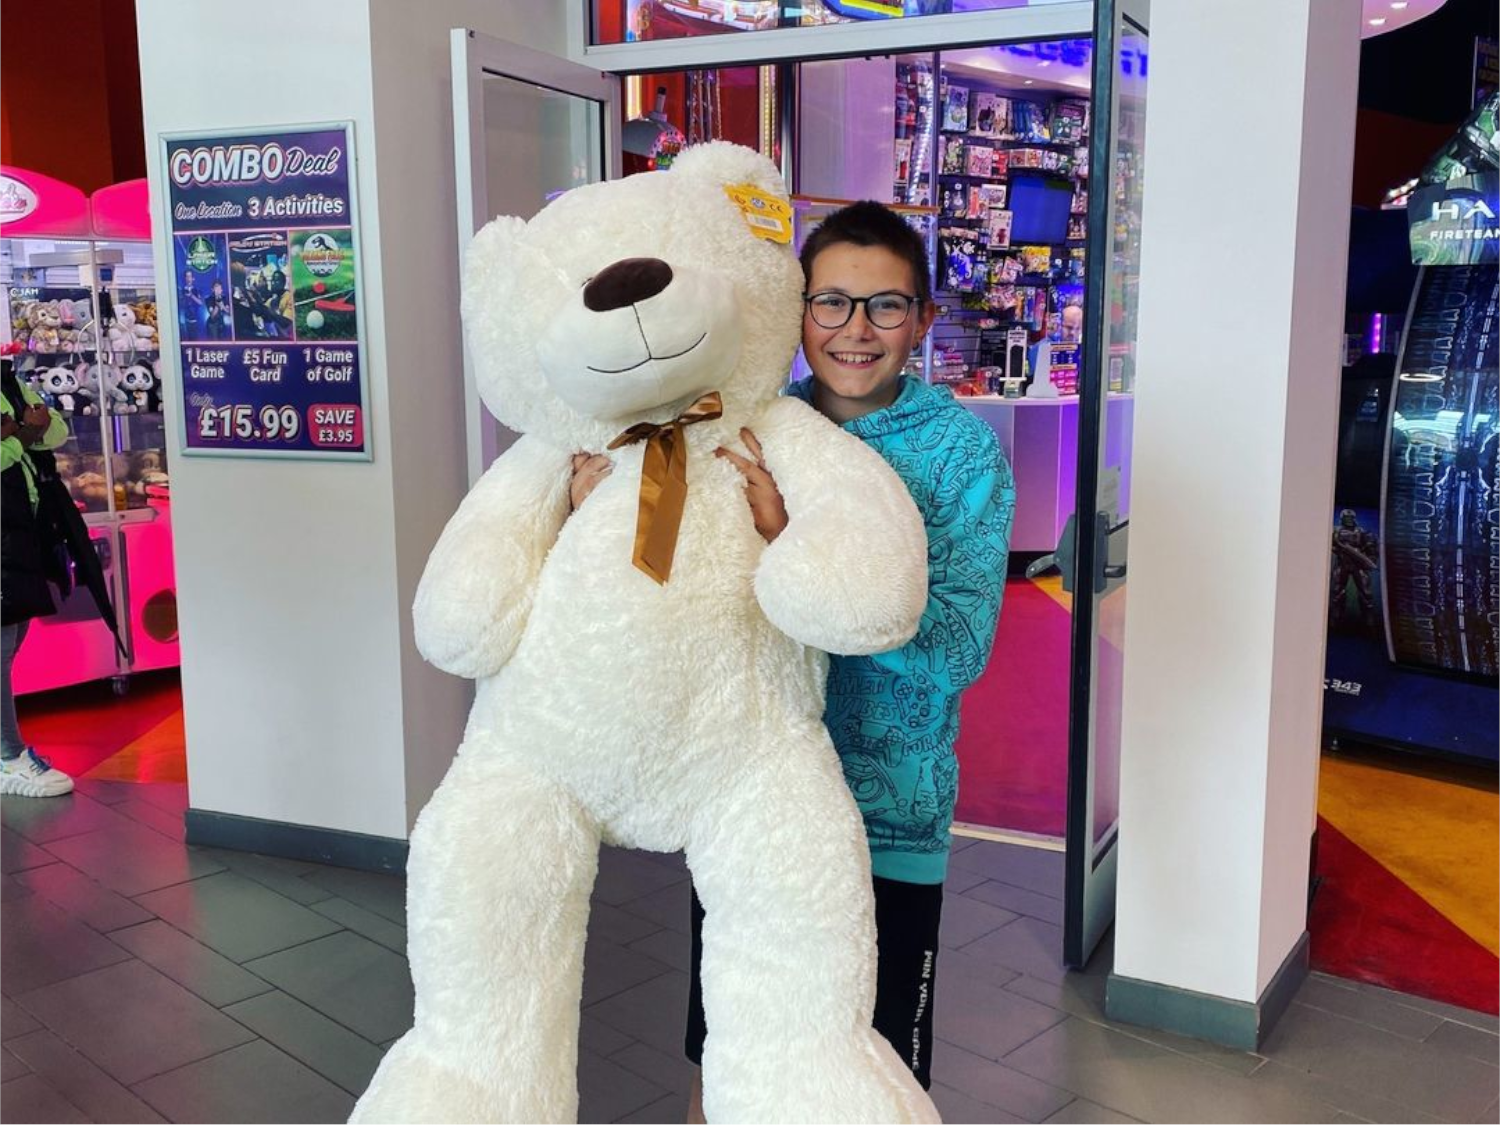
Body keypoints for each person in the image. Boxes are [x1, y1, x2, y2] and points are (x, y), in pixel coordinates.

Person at [571, 200, 1015, 1114]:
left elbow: (959, 652)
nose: (857, 331)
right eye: (832, 303)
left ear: (926, 318)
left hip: (887, 814)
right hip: (749, 801)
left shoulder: (962, 453)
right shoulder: (747, 423)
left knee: (871, 1073)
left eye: (886, 306)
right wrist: (591, 509)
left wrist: (795, 553)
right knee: (726, 1054)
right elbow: (671, 577)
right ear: (797, 309)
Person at [0, 356, 76, 797]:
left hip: (21, 527)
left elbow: (57, 429)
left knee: (14, 638)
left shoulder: (10, 380)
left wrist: (24, 434)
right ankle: (9, 756)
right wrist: (27, 435)